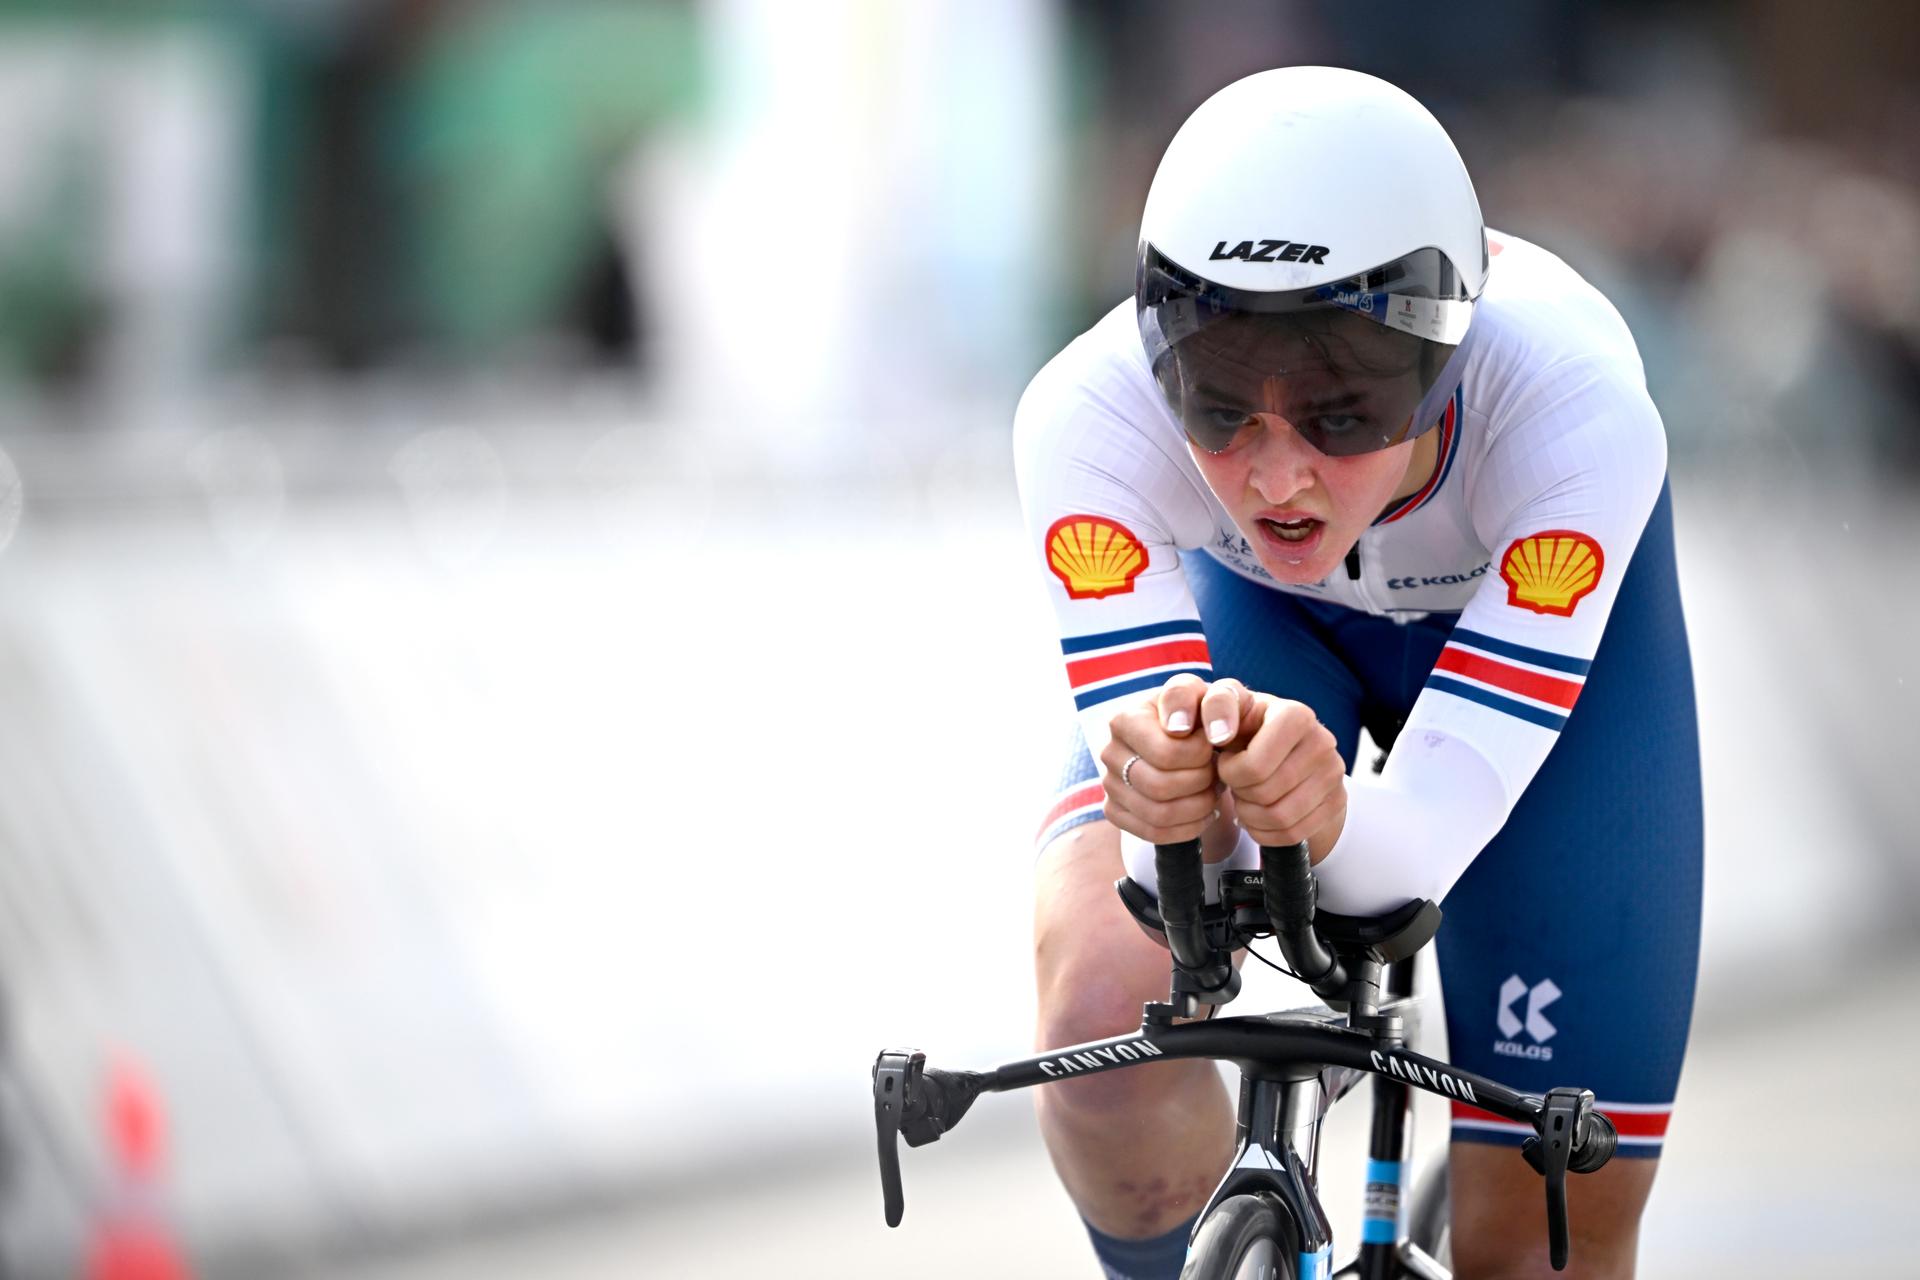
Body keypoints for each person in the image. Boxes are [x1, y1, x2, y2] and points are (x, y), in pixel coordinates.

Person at [1014, 67, 1700, 1279]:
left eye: (1340, 412)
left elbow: (1412, 849)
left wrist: (1327, 816)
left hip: (1537, 686)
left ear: (1443, 358)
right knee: (1100, 1002)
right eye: (1219, 406)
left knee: (1545, 1231)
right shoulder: (1089, 415)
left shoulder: (1572, 411)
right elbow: (1168, 870)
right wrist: (1180, 802)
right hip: (1269, 624)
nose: (1277, 477)